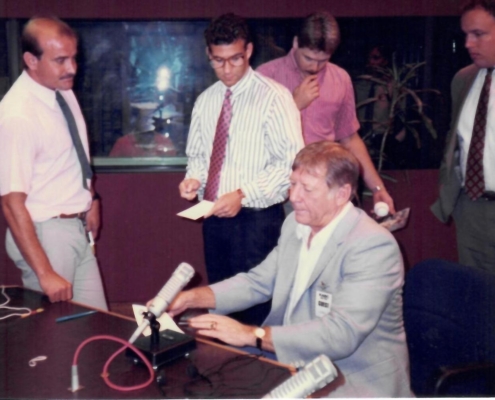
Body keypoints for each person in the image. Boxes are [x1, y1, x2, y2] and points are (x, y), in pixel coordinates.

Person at [170, 141, 412, 397]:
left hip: (350, 380)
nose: (293, 196)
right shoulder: (295, 226)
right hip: (295, 364)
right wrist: (191, 298)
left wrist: (253, 334)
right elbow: (258, 282)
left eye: (307, 188)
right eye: (293, 184)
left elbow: (342, 334)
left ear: (341, 194)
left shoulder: (372, 245)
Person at [178, 14, 303, 325]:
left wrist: (243, 194)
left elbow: (290, 163)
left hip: (257, 222)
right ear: (209, 55)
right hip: (213, 218)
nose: (227, 69)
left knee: (258, 308)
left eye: (235, 58)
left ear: (248, 50)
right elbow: (197, 155)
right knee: (222, 302)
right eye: (219, 61)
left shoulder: (274, 97)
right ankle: (229, 367)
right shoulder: (206, 101)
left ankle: (262, 370)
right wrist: (192, 179)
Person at [0, 17, 107, 310]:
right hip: (46, 236)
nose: (71, 68)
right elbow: (11, 203)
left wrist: (91, 198)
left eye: (73, 58)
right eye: (60, 60)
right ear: (31, 60)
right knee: (53, 343)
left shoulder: (62, 91)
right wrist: (45, 273)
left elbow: (71, 157)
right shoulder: (17, 115)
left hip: (74, 227)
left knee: (96, 326)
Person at [257, 12, 396, 213]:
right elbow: (252, 137)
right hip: (280, 192)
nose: (314, 67)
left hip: (327, 189)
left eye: (322, 60)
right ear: (295, 43)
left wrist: (377, 187)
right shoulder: (266, 76)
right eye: (308, 58)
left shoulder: (340, 79)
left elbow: (349, 138)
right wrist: (293, 105)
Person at [432, 0, 495, 272]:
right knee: (478, 299)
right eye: (466, 34)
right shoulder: (463, 79)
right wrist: (449, 184)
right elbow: (455, 138)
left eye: (478, 34)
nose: (469, 43)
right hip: (471, 209)